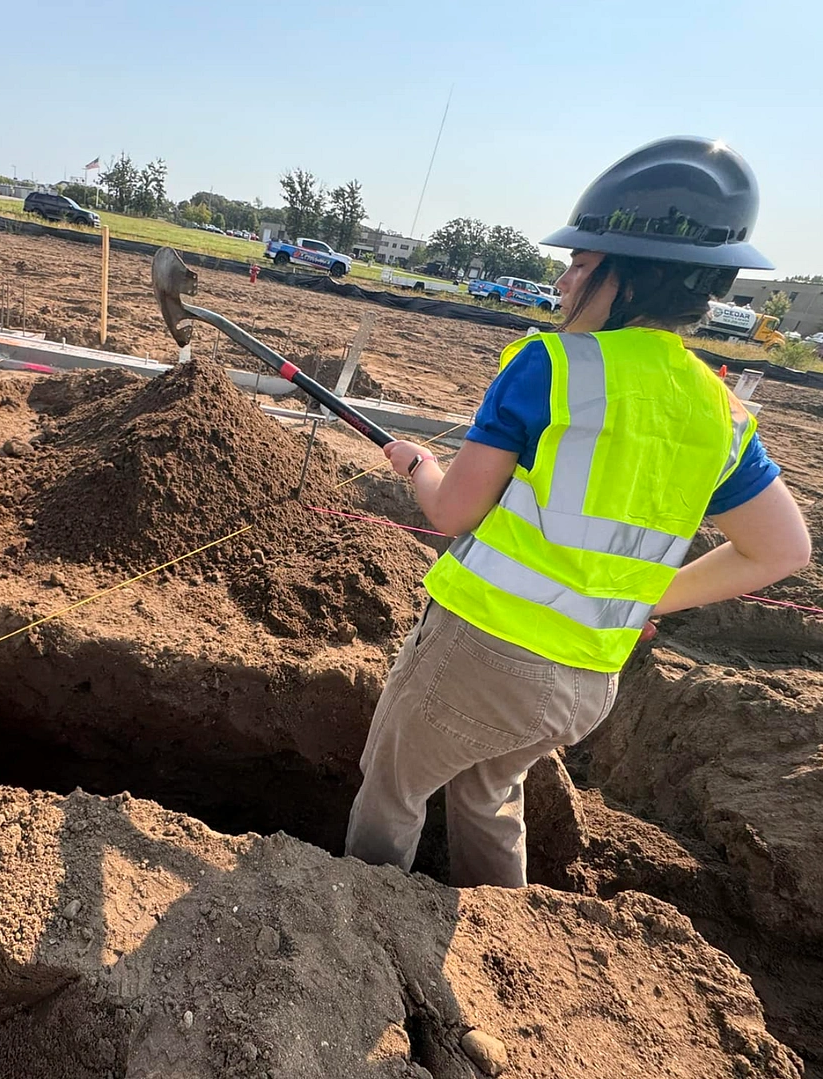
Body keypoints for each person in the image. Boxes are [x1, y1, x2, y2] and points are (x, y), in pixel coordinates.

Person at [344, 136, 812, 888]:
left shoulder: (551, 365)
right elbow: (784, 547)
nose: (561, 281)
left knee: (392, 791)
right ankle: (505, 941)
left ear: (630, 274)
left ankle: (349, 932)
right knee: (488, 790)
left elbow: (456, 511)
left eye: (581, 262)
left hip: (480, 653)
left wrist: (419, 466)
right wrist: (646, 594)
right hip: (588, 680)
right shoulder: (721, 414)